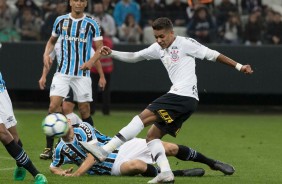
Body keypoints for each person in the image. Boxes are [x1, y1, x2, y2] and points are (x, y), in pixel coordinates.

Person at [80, 17, 253, 183]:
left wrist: (240, 66)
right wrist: (113, 53)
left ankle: (104, 151)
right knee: (152, 137)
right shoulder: (158, 48)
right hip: (186, 103)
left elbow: (213, 55)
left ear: (171, 33)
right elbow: (135, 56)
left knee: (141, 118)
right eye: (156, 37)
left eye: (162, 36)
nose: (159, 40)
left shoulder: (186, 43)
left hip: (181, 96)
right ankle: (166, 173)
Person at [50, 113, 234, 178]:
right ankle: (177, 174)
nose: (67, 122)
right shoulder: (61, 149)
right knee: (136, 166)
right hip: (112, 167)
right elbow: (52, 166)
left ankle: (212, 163)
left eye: (65, 119)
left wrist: (76, 175)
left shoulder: (82, 128)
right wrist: (60, 172)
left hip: (121, 148)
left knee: (169, 148)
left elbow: (94, 154)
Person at [40, 0, 104, 160]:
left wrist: (90, 62)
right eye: (75, 0)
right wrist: (46, 54)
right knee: (53, 106)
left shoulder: (92, 23)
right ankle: (49, 147)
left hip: (82, 74)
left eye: (82, 0)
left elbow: (100, 48)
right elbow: (51, 41)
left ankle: (93, 146)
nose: (78, 3)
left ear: (85, 4)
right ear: (70, 2)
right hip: (62, 73)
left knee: (84, 110)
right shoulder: (60, 20)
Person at [0, 72, 48, 183]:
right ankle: (36, 174)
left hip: (1, 91)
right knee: (3, 134)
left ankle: (20, 164)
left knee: (14, 137)